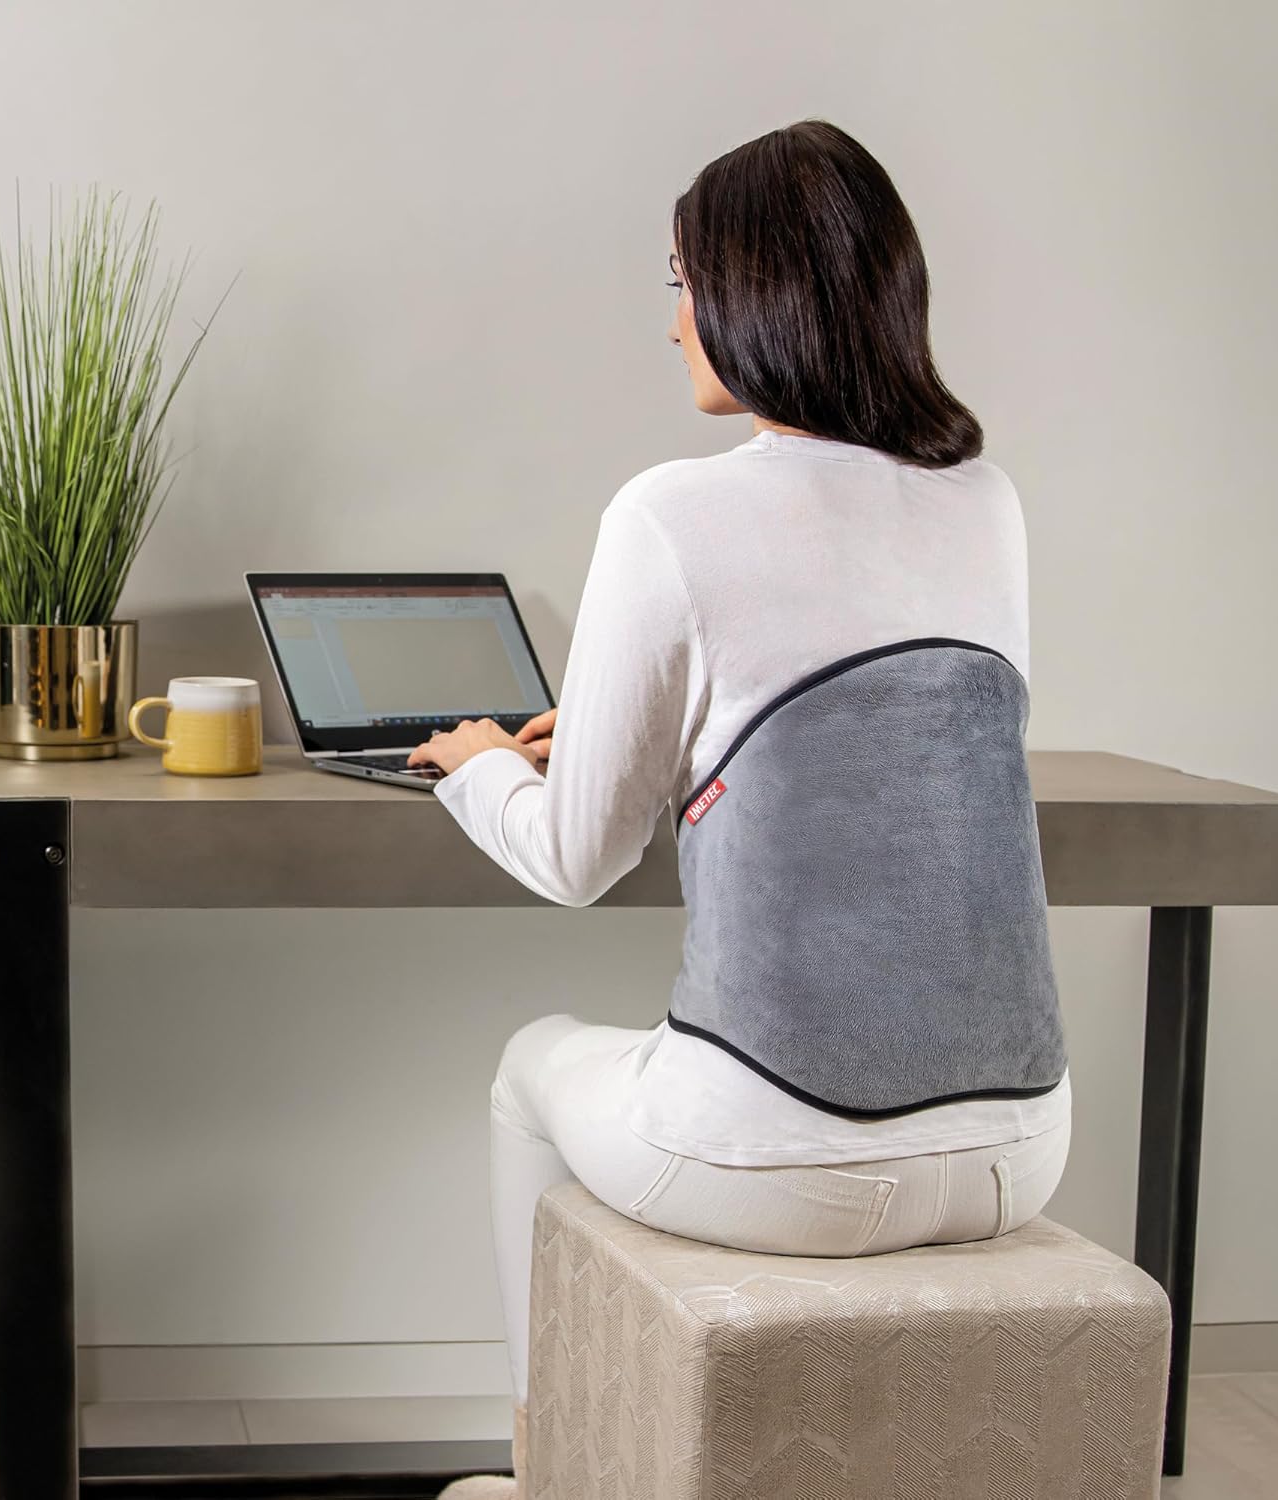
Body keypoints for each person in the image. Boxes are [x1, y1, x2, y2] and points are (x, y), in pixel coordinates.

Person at [410, 119, 1072, 1500]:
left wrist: (484, 761)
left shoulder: (671, 513)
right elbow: (876, 742)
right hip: (1023, 1143)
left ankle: (550, 1465)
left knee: (531, 1058)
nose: (674, 326)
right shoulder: (989, 501)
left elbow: (578, 861)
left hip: (780, 1157)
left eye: (682, 283)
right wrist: (637, 733)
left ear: (756, 295)